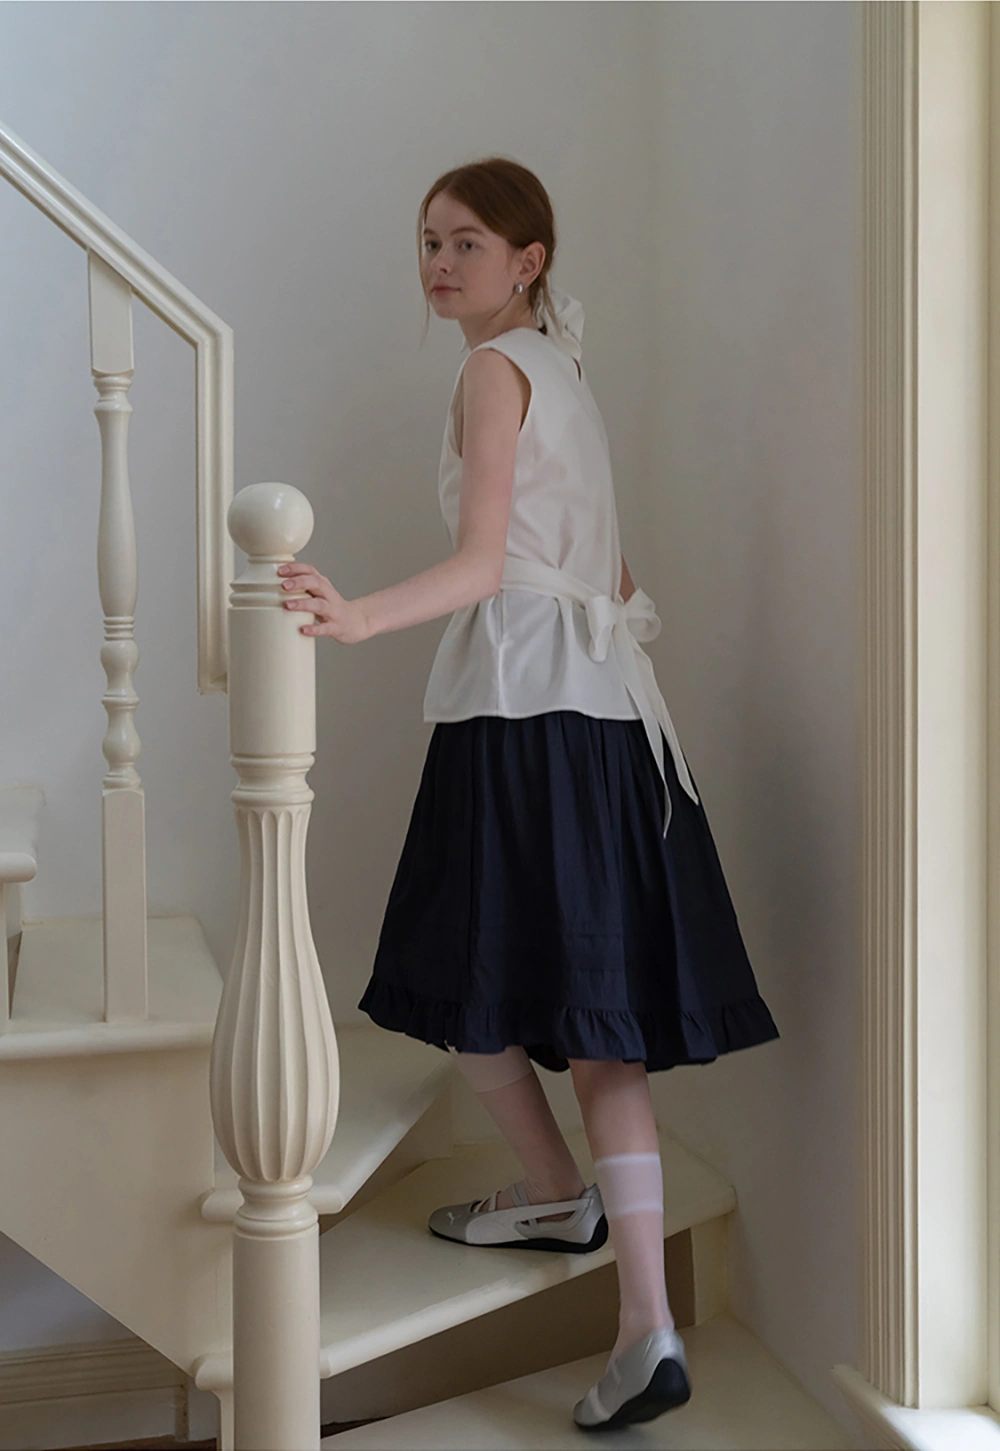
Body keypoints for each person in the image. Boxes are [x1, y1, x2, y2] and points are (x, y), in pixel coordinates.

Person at [276, 156, 780, 1432]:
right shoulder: (562, 369)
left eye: (467, 242)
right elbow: (612, 571)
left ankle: (581, 1224)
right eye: (428, 241)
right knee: (583, 1011)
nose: (440, 263)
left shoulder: (492, 371)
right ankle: (627, 1295)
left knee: (470, 969)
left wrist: (355, 617)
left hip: (521, 715)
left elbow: (485, 562)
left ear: (528, 260)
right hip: (603, 716)